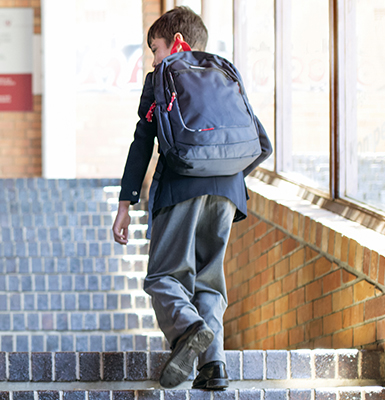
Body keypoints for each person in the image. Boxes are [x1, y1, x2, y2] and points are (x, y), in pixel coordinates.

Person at [110, 6, 272, 391]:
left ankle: (188, 328)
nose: (153, 58)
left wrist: (125, 203)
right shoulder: (223, 73)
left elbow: (142, 143)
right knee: (209, 281)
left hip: (181, 184)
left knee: (165, 276)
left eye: (155, 48)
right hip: (228, 191)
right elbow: (253, 138)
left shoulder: (162, 78)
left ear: (176, 43)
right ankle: (213, 365)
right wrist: (227, 180)